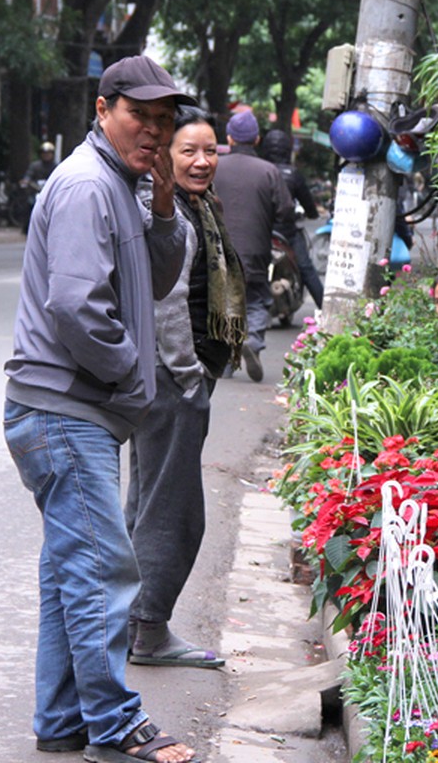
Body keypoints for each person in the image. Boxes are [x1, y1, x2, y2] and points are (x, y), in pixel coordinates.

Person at [2, 54, 199, 762]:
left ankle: (61, 721)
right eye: (138, 116)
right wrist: (130, 376)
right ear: (102, 109)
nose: (152, 131)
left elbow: (159, 276)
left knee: (70, 573)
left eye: (163, 120)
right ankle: (116, 728)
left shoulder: (126, 186)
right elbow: (75, 307)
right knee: (103, 571)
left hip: (70, 412)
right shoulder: (88, 185)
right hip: (64, 411)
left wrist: (167, 202)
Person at [125, 106, 245, 668]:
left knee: (148, 499)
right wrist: (189, 372)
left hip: (166, 377)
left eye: (210, 150)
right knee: (174, 509)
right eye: (188, 151)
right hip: (174, 377)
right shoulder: (165, 210)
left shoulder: (200, 207)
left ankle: (129, 621)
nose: (202, 161)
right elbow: (167, 301)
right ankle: (148, 629)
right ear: (165, 160)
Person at [211, 110, 292, 382]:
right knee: (257, 300)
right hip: (256, 249)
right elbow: (285, 211)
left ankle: (223, 362)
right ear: (257, 139)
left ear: (229, 138)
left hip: (218, 249)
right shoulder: (269, 171)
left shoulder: (214, 165)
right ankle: (253, 342)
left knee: (223, 302)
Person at [258, 128, 323, 308]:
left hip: (261, 231)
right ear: (287, 149)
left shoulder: (260, 170)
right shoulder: (293, 174)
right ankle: (326, 312)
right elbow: (308, 204)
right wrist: (312, 214)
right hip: (287, 233)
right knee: (307, 269)